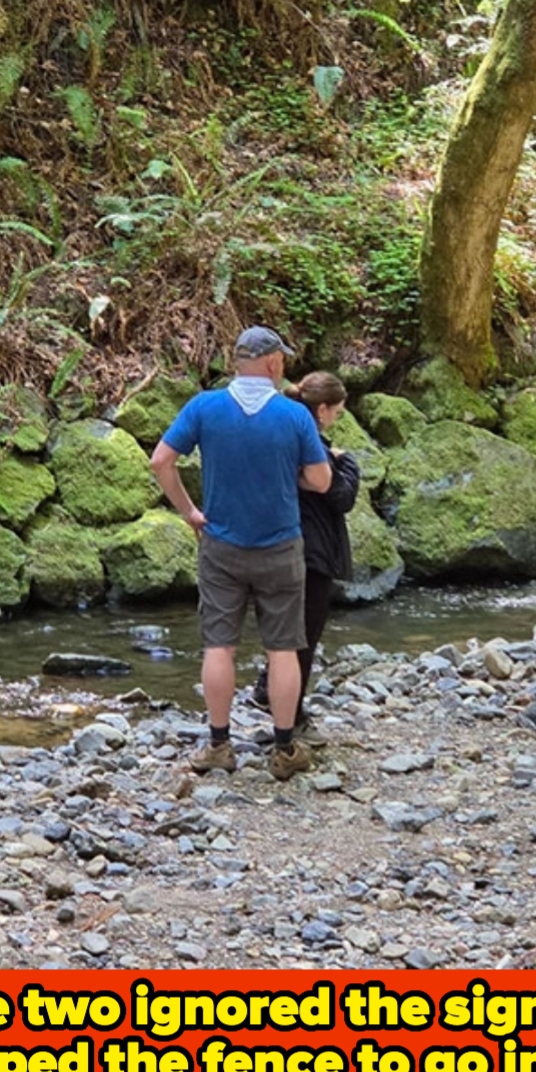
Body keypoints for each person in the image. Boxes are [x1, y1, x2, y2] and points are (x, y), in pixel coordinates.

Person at [150, 327, 332, 782]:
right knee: (284, 648)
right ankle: (284, 748)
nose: (284, 366)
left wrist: (190, 511)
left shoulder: (204, 407)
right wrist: (293, 477)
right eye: (282, 360)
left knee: (219, 645)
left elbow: (160, 462)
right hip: (281, 547)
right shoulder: (294, 416)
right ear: (272, 363)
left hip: (221, 545)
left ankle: (218, 745)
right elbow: (323, 480)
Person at [253, 371, 360, 731]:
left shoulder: (283, 437)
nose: (336, 420)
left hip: (279, 542)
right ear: (323, 409)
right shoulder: (315, 446)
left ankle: (269, 688)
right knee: (305, 637)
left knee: (286, 628)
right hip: (312, 550)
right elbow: (341, 496)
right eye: (337, 413)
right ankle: (291, 716)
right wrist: (348, 462)